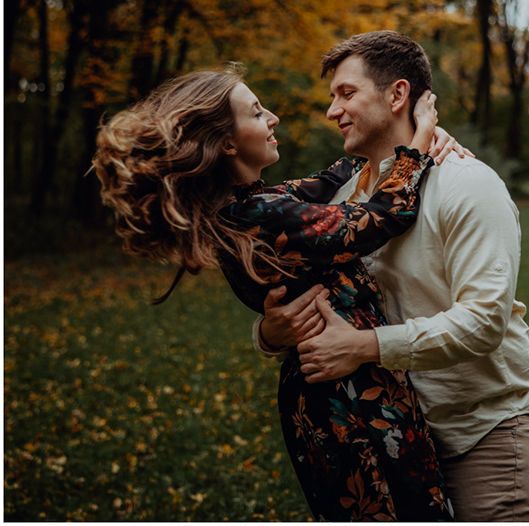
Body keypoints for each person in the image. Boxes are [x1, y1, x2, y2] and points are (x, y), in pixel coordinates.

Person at [92, 64, 460, 520]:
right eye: (256, 112)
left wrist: (389, 142)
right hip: (346, 395)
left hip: (340, 378)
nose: (273, 118)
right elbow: (380, 218)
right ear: (228, 142)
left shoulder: (245, 206)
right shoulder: (261, 214)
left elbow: (328, 180)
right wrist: (422, 133)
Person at [260, 31, 529, 520]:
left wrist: (362, 348)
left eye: (346, 93)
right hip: (382, 437)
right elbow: (318, 297)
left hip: (479, 432)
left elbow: (484, 321)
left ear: (397, 95)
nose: (333, 111)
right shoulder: (341, 198)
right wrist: (268, 331)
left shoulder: (467, 184)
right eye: (333, 97)